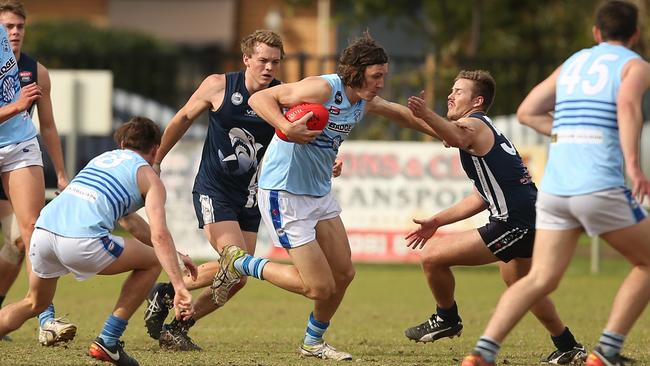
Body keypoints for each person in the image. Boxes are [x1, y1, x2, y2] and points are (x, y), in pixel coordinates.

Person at [211, 32, 439, 361]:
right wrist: (286, 128)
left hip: (318, 192)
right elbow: (260, 100)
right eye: (376, 76)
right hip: (284, 192)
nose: (381, 84)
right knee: (318, 287)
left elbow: (401, 114)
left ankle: (312, 343)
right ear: (356, 73)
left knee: (344, 274)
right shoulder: (323, 88)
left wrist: (445, 133)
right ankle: (240, 262)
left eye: (383, 77)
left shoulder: (363, 99)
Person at [461, 2, 650, 366]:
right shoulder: (634, 65)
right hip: (598, 187)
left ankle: (482, 353)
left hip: (555, 191)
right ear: (636, 35)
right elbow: (627, 106)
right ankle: (606, 351)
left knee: (539, 279)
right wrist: (633, 164)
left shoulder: (575, 61)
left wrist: (568, 133)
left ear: (596, 33)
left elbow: (527, 110)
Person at [404, 70, 586, 365]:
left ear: (477, 101)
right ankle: (568, 346)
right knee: (521, 285)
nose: (451, 95)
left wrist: (423, 113)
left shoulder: (472, 126)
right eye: (451, 90)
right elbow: (481, 197)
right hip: (528, 219)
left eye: (458, 91)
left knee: (433, 257)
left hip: (516, 223)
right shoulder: (481, 130)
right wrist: (438, 221)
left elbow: (454, 134)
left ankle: (446, 318)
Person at [0, 117, 197, 366]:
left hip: (42, 233)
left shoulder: (101, 160)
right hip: (81, 241)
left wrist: (175, 254)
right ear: (156, 149)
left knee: (33, 302)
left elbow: (131, 223)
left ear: (123, 142)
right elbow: (159, 236)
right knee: (153, 262)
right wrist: (179, 286)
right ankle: (109, 340)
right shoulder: (150, 179)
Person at [143, 29, 290, 351]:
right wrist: (157, 160)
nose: (269, 68)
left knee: (238, 277)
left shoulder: (281, 96)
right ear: (246, 59)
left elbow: (301, 137)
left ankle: (175, 317)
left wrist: (330, 161)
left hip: (250, 197)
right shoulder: (219, 86)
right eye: (263, 60)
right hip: (214, 191)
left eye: (275, 62)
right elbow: (182, 118)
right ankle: (171, 295)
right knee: (236, 262)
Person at [0, 0, 70, 344]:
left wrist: (60, 172)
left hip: (20, 150)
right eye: (7, 26)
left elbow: (50, 127)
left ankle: (45, 318)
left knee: (27, 235)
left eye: (19, 27)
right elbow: (17, 108)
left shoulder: (36, 71)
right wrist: (16, 105)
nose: (14, 32)